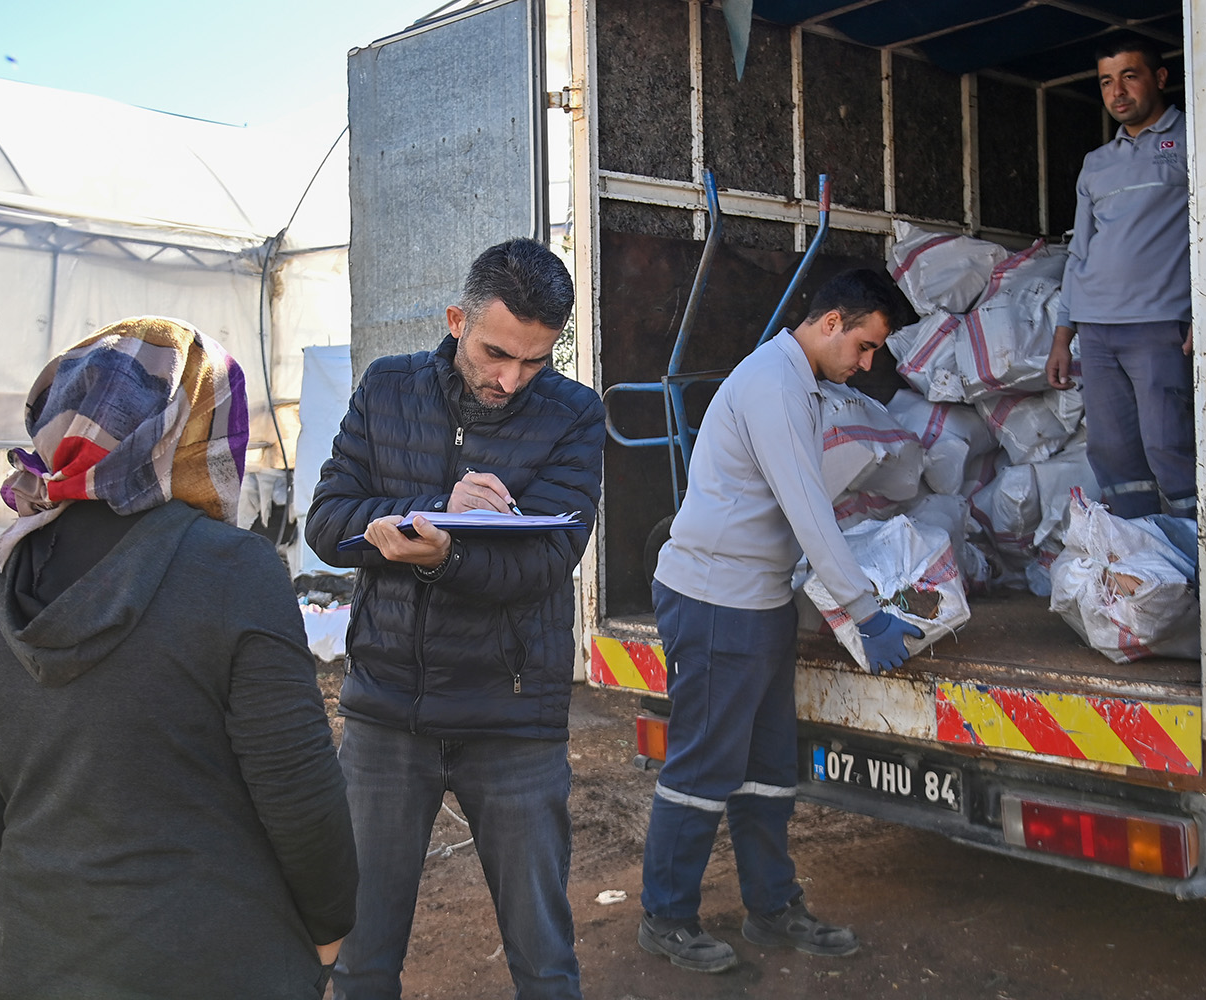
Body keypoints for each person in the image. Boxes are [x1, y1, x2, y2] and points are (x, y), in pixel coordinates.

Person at [0, 317, 358, 999]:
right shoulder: (233, 572)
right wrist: (330, 925)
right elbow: (298, 794)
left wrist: (70, 874)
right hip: (221, 961)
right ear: (187, 433)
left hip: (42, 959)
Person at [305, 237, 606, 1000]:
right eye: (497, 353)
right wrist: (429, 513)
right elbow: (327, 524)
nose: (510, 379)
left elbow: (545, 559)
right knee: (362, 956)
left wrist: (444, 555)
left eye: (533, 361)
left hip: (511, 717)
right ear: (455, 320)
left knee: (544, 958)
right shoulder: (386, 388)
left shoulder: (574, 414)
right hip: (387, 713)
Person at [639, 269, 922, 974]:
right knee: (703, 767)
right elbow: (807, 506)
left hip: (759, 601)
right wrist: (866, 612)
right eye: (864, 346)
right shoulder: (772, 384)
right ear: (831, 322)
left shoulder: (808, 385)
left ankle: (771, 907)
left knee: (767, 771)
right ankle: (666, 917)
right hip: (712, 601)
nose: (866, 364)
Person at [1044, 35, 1194, 520]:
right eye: (1107, 81)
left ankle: (1199, 570)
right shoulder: (1096, 164)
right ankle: (1143, 565)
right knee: (1112, 453)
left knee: (1169, 447)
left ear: (1160, 78)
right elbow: (1079, 252)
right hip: (1097, 330)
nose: (1117, 92)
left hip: (1159, 325)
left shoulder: (1196, 141)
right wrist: (1063, 336)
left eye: (1129, 76)